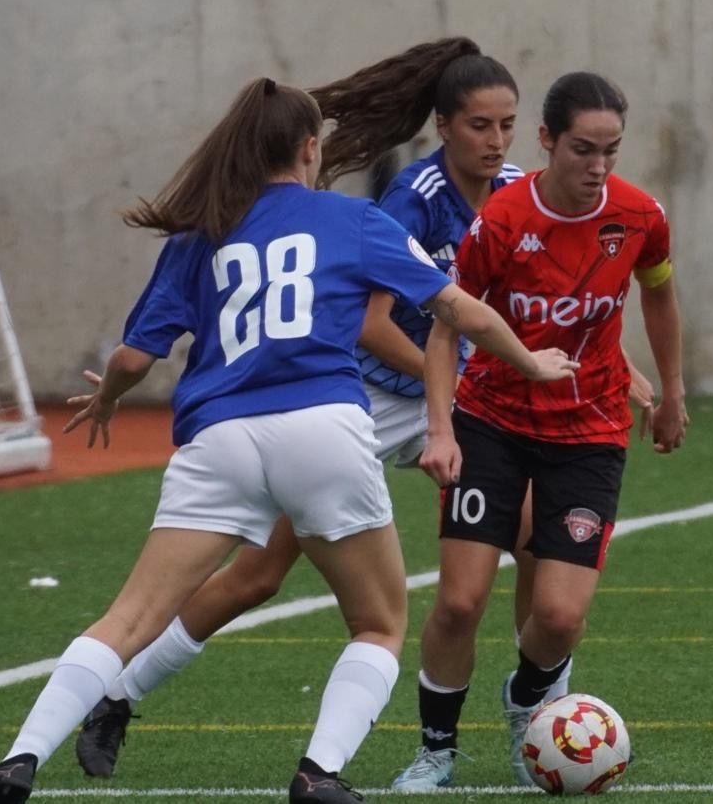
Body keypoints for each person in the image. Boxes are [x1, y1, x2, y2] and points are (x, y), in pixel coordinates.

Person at [0, 77, 578, 804]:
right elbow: (459, 310)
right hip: (320, 427)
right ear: (311, 148)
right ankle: (318, 773)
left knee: (127, 617)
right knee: (378, 621)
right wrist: (531, 361)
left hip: (217, 437)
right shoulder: (351, 219)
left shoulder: (202, 232)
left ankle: (17, 760)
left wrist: (108, 399)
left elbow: (132, 357)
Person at [72, 38, 652, 779]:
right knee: (260, 572)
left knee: (540, 542)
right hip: (369, 395)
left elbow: (546, 299)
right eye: (480, 125)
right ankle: (120, 694)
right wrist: (468, 370)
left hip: (455, 394)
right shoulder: (413, 199)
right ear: (442, 126)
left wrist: (615, 363)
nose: (496, 141)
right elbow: (373, 323)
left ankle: (537, 713)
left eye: (507, 124)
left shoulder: (516, 190)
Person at [393, 71, 688, 791]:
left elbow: (659, 295)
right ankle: (436, 748)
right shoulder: (501, 222)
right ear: (548, 140)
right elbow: (447, 325)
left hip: (588, 431)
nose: (598, 167)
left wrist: (670, 390)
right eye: (583, 149)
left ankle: (529, 702)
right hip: (492, 422)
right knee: (461, 599)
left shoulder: (640, 215)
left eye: (611, 151)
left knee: (557, 616)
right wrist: (441, 429)